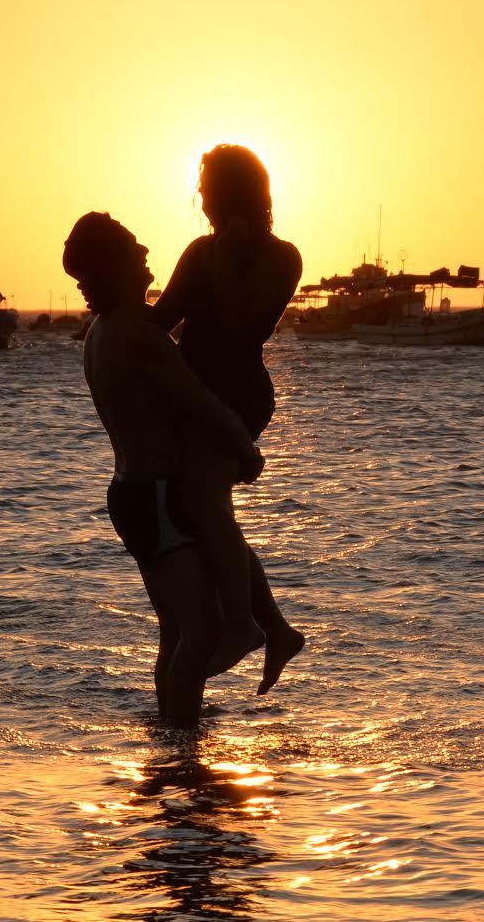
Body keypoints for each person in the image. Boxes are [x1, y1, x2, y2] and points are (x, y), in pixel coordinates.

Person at [64, 211, 263, 728]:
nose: (145, 254)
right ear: (117, 268)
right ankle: (182, 746)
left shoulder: (101, 332)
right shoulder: (136, 334)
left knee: (175, 631)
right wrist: (246, 449)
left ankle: (170, 738)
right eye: (133, 250)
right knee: (199, 634)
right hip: (155, 496)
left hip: (131, 495)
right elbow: (201, 403)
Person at [151, 144, 306, 694]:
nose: (203, 199)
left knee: (203, 502)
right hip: (194, 392)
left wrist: (228, 252)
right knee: (203, 513)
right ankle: (276, 628)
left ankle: (244, 624)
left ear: (237, 194)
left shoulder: (282, 257)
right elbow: (162, 320)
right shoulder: (198, 251)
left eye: (212, 188)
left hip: (238, 394)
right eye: (202, 188)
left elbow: (242, 322)